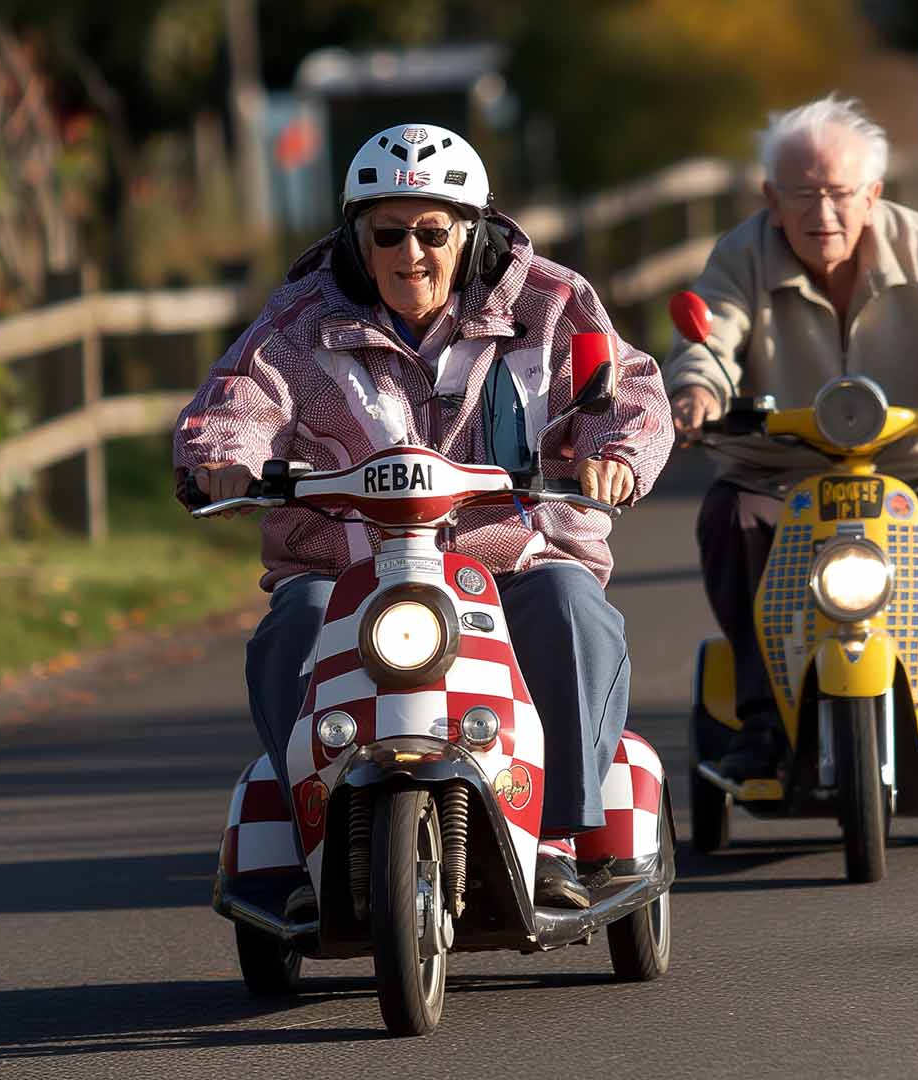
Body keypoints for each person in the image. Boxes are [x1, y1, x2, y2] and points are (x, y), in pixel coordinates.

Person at [173, 123, 672, 908]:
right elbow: (236, 402)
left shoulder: (553, 303)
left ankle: (557, 840)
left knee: (572, 609)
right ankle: (316, 847)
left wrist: (616, 456)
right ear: (354, 240)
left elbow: (630, 393)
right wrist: (221, 460)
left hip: (514, 559)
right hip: (345, 576)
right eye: (389, 234)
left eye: (434, 232)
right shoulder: (297, 322)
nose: (413, 253)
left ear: (471, 236)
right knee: (290, 625)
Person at [661, 96, 918, 781]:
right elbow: (708, 340)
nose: (823, 213)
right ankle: (759, 715)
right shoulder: (740, 256)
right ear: (770, 199)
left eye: (840, 193)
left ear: (873, 194)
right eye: (803, 195)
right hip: (778, 469)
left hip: (917, 462)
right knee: (730, 516)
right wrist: (696, 393)